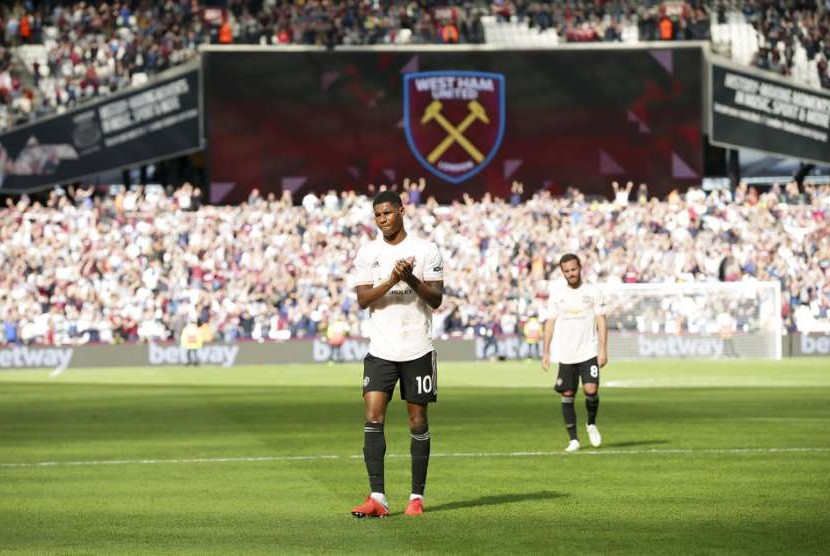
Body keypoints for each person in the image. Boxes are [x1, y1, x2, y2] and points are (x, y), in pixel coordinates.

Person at [349, 190, 444, 518]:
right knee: (373, 418)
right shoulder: (368, 252)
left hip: (417, 348)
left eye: (387, 213)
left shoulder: (425, 249)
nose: (382, 220)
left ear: (401, 211)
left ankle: (416, 498)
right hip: (381, 350)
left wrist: (411, 278)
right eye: (377, 215)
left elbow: (435, 299)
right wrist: (393, 278)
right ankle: (378, 497)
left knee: (417, 422)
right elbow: (363, 300)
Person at [541, 254, 608, 452]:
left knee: (591, 390)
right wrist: (545, 352)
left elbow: (602, 321)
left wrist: (603, 349)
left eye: (574, 269)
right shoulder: (557, 294)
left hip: (588, 351)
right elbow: (550, 323)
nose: (571, 274)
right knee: (567, 394)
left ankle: (591, 424)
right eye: (567, 271)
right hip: (566, 354)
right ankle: (574, 440)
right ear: (562, 272)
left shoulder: (592, 291)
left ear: (580, 268)